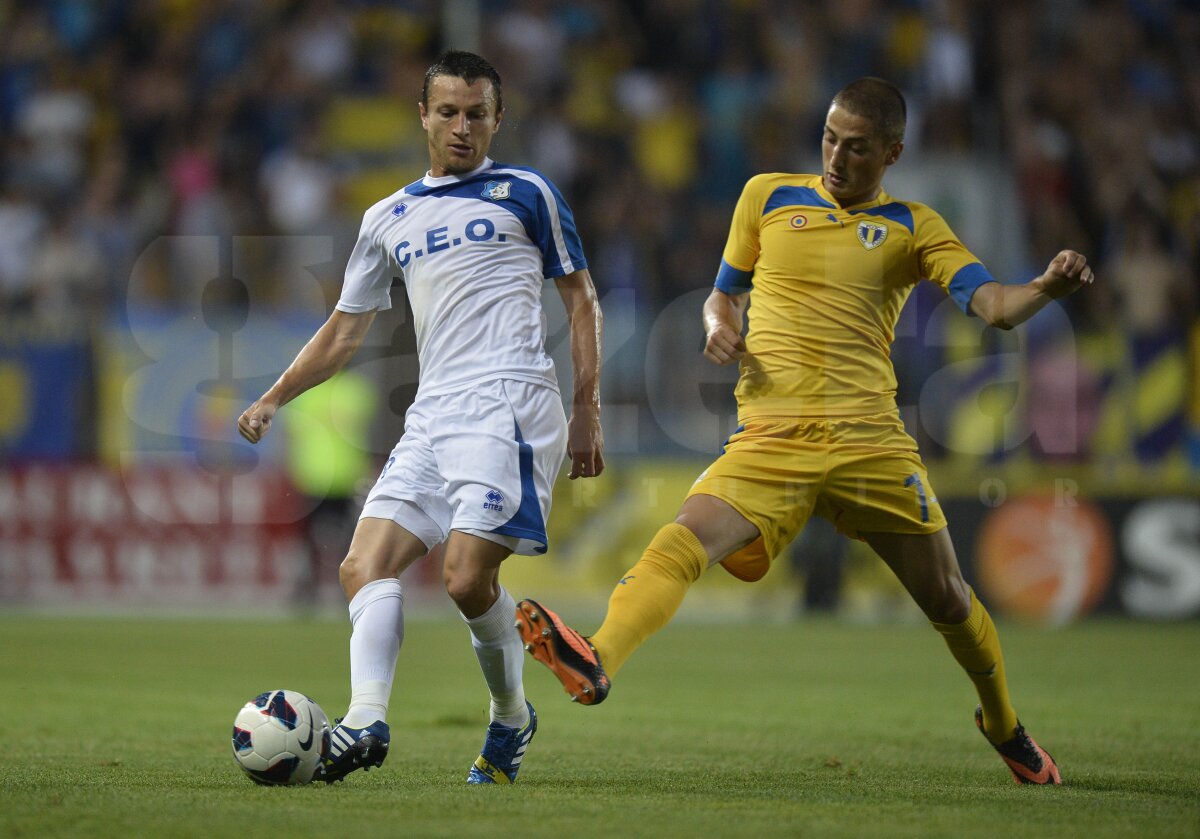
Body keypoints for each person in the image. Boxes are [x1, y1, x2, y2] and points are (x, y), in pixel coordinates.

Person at [516, 77, 1093, 786]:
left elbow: (996, 307)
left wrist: (1047, 288)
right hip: (771, 435)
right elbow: (722, 292)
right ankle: (596, 655)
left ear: (891, 153)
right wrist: (719, 325)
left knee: (948, 598)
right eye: (828, 137)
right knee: (681, 540)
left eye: (856, 148)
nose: (836, 157)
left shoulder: (915, 226)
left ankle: (1004, 725)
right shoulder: (767, 195)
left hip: (869, 441)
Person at [238, 50, 604, 785]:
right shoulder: (387, 217)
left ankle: (509, 719)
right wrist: (276, 393)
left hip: (509, 403)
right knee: (360, 564)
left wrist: (588, 403)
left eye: (476, 113)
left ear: (497, 119)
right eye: (448, 111)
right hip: (433, 411)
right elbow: (344, 331)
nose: (461, 126)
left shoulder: (526, 190)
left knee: (466, 580)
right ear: (423, 116)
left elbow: (581, 296)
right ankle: (365, 718)